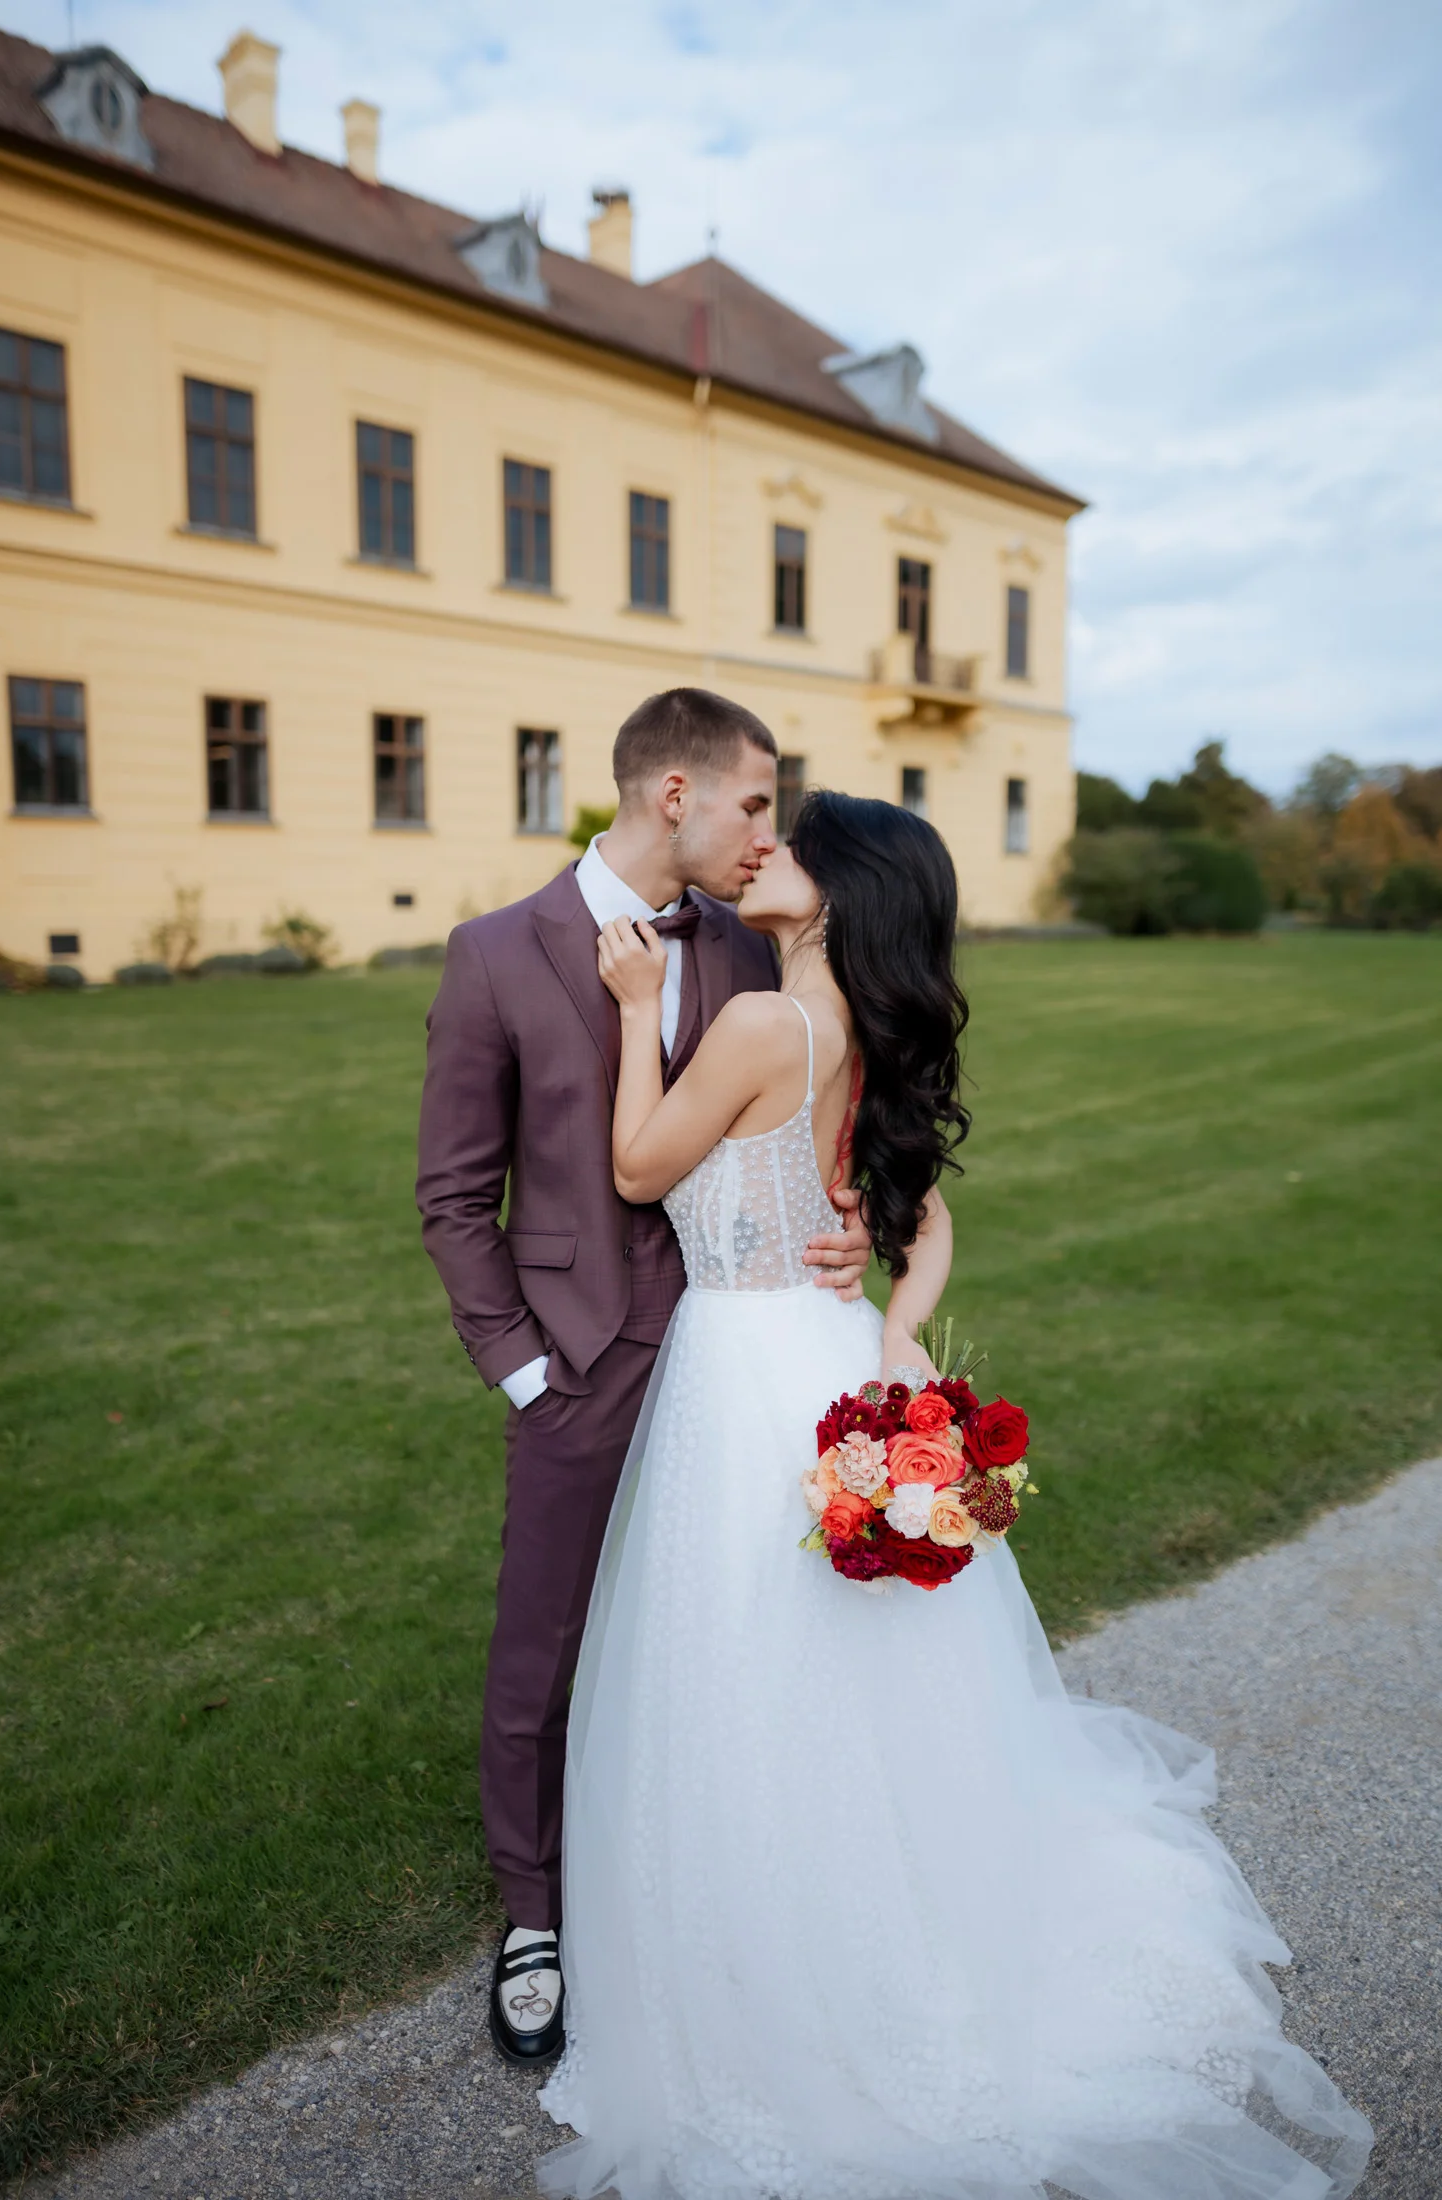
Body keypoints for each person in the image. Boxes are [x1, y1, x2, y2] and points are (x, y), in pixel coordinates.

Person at [536, 790, 1373, 2200]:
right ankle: (881, 1921)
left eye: (792, 845)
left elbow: (636, 1168)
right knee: (840, 1673)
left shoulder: (757, 1025)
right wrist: (896, 1323)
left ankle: (784, 1966)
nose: (765, 853)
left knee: (743, 1662)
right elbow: (922, 1219)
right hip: (816, 1353)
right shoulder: (858, 1028)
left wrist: (630, 1008)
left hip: (743, 1363)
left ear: (844, 891)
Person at [416, 690, 872, 2065]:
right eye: (751, 803)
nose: (763, 832)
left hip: (739, 1351)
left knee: (735, 1634)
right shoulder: (496, 954)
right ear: (675, 792)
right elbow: (452, 1199)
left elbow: (800, 1127)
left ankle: (711, 1882)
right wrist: (518, 1371)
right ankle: (536, 1916)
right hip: (580, 1360)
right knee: (539, 1647)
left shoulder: (753, 951)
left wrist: (843, 1228)